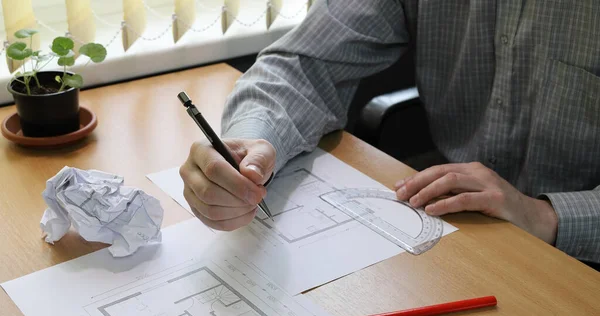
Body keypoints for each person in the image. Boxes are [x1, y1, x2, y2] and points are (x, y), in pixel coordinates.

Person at [179, 0, 600, 265]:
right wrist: (256, 141)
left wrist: (543, 215)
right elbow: (304, 65)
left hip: (579, 262)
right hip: (459, 241)